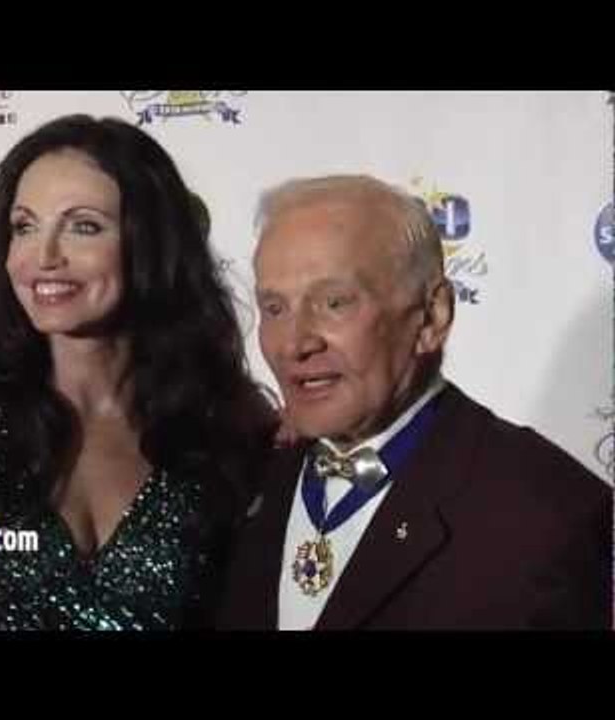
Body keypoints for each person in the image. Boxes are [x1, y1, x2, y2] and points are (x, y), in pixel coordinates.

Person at [0, 114, 276, 630]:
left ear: (149, 243)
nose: (44, 257)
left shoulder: (225, 420)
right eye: (24, 227)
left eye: (83, 226)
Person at [217, 174, 613, 630]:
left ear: (431, 317)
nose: (294, 344)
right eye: (275, 308)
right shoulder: (244, 479)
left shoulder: (548, 513)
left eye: (334, 302)